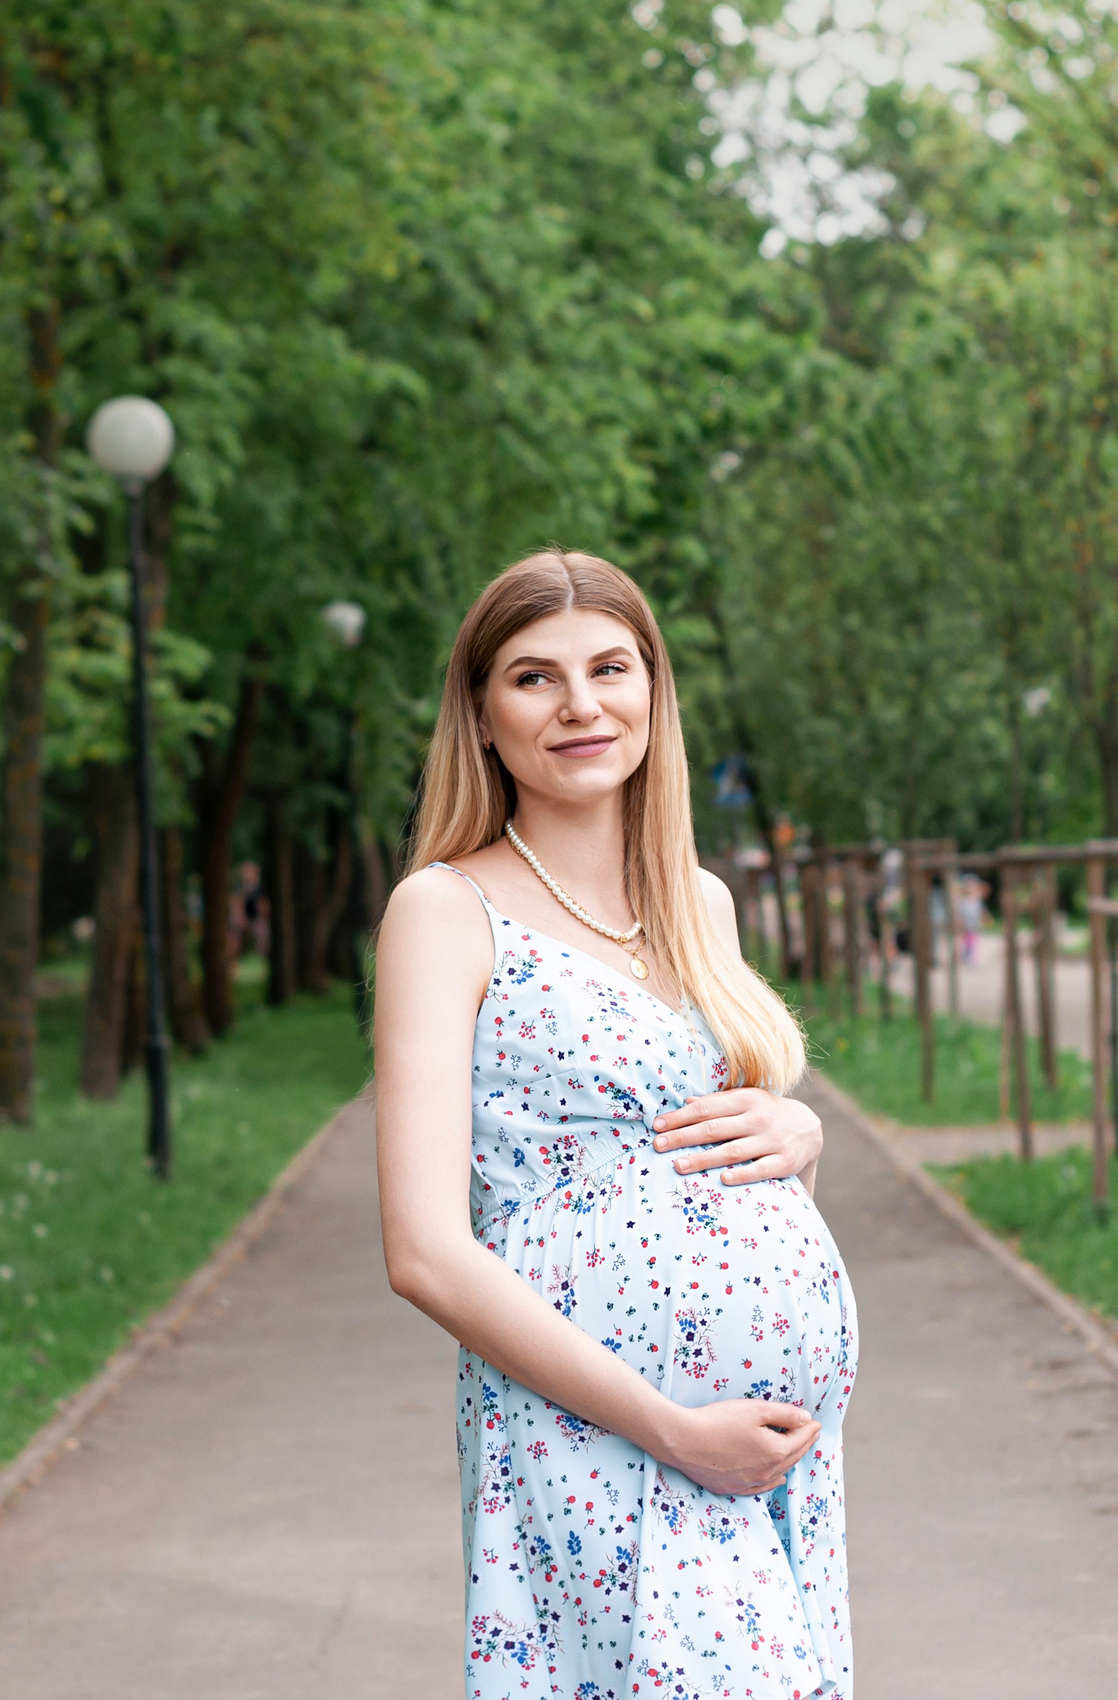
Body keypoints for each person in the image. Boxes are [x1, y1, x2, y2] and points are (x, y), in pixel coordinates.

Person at [374, 551, 856, 1698]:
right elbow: (424, 1251)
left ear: (653, 690)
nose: (582, 705)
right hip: (595, 1433)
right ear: (483, 717)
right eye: (534, 678)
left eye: (610, 667)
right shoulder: (446, 909)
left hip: (772, 1454)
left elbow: (709, 1127)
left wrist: (797, 1134)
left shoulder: (701, 903)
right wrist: (669, 1427)